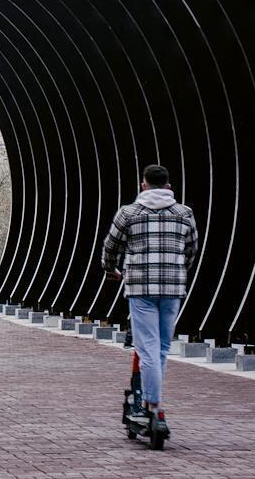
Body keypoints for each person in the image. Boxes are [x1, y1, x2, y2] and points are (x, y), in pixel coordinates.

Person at [101, 164, 198, 421]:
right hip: (172, 287)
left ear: (143, 184)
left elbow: (110, 247)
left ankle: (152, 404)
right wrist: (178, 270)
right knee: (163, 347)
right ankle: (150, 400)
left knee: (148, 348)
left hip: (140, 287)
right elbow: (191, 250)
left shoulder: (128, 213)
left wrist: (112, 270)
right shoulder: (184, 213)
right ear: (168, 186)